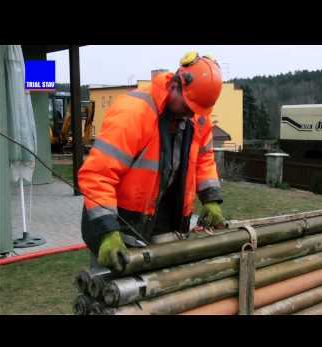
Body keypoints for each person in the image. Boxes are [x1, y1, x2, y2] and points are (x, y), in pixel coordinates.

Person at [78, 51, 226, 272]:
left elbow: (204, 160)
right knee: (112, 298)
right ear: (176, 84)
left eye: (194, 110)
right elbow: (97, 175)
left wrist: (211, 199)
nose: (189, 114)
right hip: (121, 226)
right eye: (187, 106)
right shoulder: (134, 113)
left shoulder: (197, 117)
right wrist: (107, 231)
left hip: (167, 227)